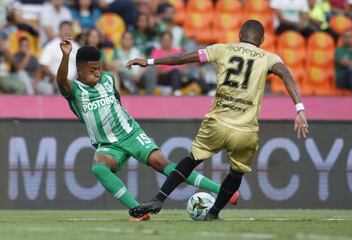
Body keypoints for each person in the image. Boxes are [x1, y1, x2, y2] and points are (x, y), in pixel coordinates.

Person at [126, 19, 309, 221]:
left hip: (217, 123)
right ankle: (213, 214)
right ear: (263, 40)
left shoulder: (222, 49)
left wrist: (150, 61)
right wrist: (299, 108)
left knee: (191, 160)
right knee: (236, 173)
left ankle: (159, 199)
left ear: (239, 35)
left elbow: (183, 58)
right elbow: (286, 75)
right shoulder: (269, 58)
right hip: (245, 130)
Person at [56, 39, 240, 221]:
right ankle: (138, 210)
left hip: (130, 133)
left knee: (162, 164)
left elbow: (117, 101)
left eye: (99, 68)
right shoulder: (74, 90)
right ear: (79, 70)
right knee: (99, 168)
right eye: (93, 70)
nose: (98, 73)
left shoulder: (108, 79)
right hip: (107, 144)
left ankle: (225, 191)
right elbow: (61, 81)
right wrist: (66, 56)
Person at [334, 29, 352, 95]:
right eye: (346, 37)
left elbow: (348, 62)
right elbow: (344, 63)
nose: (348, 39)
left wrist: (351, 63)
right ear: (342, 39)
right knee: (351, 70)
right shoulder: (339, 50)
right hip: (342, 80)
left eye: (350, 37)